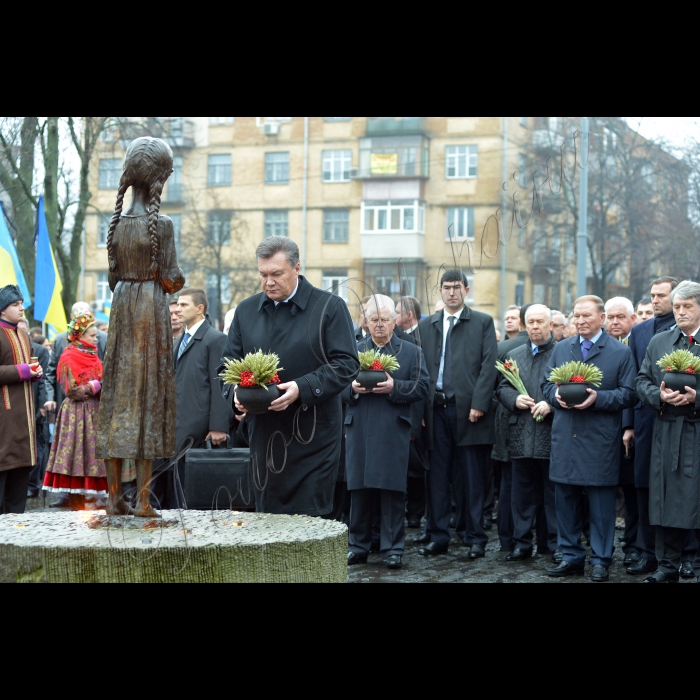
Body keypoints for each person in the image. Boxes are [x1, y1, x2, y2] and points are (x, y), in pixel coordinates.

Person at [222, 237, 360, 517]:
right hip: (264, 437)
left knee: (310, 520)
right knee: (268, 520)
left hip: (314, 437)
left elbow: (346, 363)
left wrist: (301, 387)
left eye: (276, 274)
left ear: (297, 268)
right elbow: (226, 366)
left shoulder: (329, 307)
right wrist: (236, 394)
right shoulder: (245, 311)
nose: (268, 282)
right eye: (263, 275)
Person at [96, 137, 186, 518]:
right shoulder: (161, 226)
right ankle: (144, 501)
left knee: (118, 398)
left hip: (122, 313)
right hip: (149, 313)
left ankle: (115, 497)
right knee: (148, 399)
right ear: (157, 180)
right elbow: (172, 278)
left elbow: (115, 278)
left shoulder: (115, 226)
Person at [543, 296, 637, 582]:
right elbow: (545, 384)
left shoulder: (619, 353)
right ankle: (571, 556)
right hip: (566, 438)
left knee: (601, 506)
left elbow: (630, 393)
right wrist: (555, 397)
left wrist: (599, 398)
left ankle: (600, 559)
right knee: (566, 502)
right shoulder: (562, 348)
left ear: (602, 318)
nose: (580, 321)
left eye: (586, 316)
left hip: (600, 440)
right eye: (576, 316)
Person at [417, 270, 498, 558]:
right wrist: (421, 410)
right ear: (440, 290)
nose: (451, 293)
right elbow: (419, 370)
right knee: (437, 477)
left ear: (466, 289)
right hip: (435, 410)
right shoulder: (427, 326)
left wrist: (479, 403)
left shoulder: (482, 323)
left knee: (472, 478)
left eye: (457, 288)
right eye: (446, 288)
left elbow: (489, 366)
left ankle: (475, 537)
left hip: (469, 412)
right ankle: (438, 536)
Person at [345, 295, 429, 570]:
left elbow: (423, 387)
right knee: (358, 489)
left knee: (392, 491)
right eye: (373, 320)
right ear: (365, 322)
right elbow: (337, 387)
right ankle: (358, 546)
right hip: (359, 427)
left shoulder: (411, 351)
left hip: (393, 427)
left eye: (384, 320)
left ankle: (393, 549)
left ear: (395, 321)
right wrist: (352, 390)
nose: (379, 325)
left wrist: (396, 388)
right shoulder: (353, 351)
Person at [625, 277, 697, 577]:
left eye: (688, 307)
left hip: (696, 428)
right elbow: (640, 381)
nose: (680, 312)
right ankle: (666, 563)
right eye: (677, 306)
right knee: (664, 496)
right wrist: (659, 395)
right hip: (665, 428)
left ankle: (692, 559)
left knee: (693, 495)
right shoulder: (660, 341)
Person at [154, 289, 232, 508]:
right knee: (176, 486)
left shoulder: (215, 339)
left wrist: (218, 425)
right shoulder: (181, 340)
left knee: (192, 489)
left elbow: (220, 383)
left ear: (200, 309)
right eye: (177, 304)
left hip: (198, 428)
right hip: (177, 425)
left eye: (184, 305)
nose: (177, 309)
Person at [497, 305, 559, 562]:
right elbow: (501, 387)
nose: (535, 326)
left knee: (553, 495)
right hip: (521, 433)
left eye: (539, 322)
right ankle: (522, 544)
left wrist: (552, 403)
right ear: (524, 325)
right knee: (521, 494)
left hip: (550, 434)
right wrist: (514, 398)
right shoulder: (514, 354)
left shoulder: (563, 352)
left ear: (550, 325)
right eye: (530, 322)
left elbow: (569, 387)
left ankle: (553, 543)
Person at [42, 313, 108, 510]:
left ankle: (95, 498)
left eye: (96, 336)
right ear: (80, 336)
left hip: (95, 411)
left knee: (92, 454)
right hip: (77, 412)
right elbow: (71, 391)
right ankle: (74, 499)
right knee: (76, 452)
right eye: (92, 336)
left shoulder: (93, 355)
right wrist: (97, 385)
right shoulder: (68, 356)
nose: (96, 340)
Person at [492, 303, 532, 550]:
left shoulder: (502, 348)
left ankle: (508, 539)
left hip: (506, 419)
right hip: (530, 422)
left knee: (509, 484)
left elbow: (492, 388)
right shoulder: (511, 349)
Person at [0, 286, 42, 514]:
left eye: (21, 303)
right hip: (3, 422)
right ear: (2, 310)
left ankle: (17, 537)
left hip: (24, 423)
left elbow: (29, 366)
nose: (21, 308)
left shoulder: (24, 334)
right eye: (15, 304)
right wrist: (23, 371)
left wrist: (36, 372)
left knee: (19, 490)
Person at [604, 297, 640, 565]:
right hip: (600, 429)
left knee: (631, 491)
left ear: (633, 319)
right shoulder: (599, 347)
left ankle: (632, 546)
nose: (614, 322)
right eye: (610, 317)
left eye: (620, 317)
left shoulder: (640, 344)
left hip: (631, 429)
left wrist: (629, 425)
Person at [46, 302, 108, 415]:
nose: (95, 340)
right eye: (79, 314)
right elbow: (53, 374)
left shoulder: (104, 340)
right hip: (76, 410)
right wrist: (50, 397)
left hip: (97, 406)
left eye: (86, 314)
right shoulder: (63, 346)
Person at [17, 319, 52, 500]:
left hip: (35, 406)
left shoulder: (39, 351)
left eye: (23, 329)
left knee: (36, 447)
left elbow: (44, 378)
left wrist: (42, 404)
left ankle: (32, 485)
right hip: (15, 406)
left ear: (29, 331)